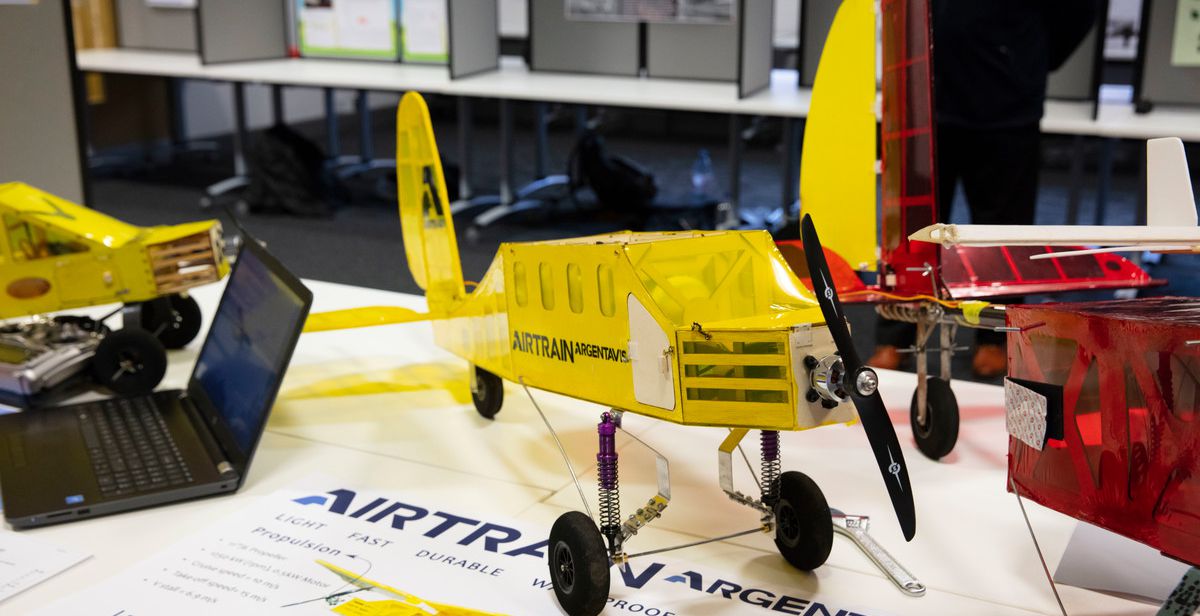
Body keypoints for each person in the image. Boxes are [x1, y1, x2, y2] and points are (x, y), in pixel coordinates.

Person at [869, 0, 1100, 378]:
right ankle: (895, 335)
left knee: (1003, 231)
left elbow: (1078, 10)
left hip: (1006, 103)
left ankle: (994, 337)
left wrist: (1028, 54)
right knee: (912, 226)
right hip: (924, 97)